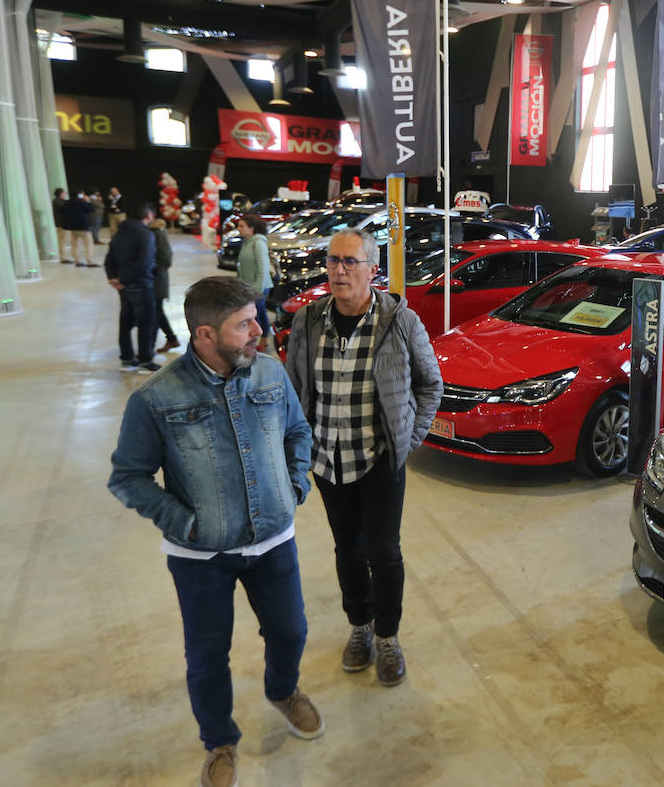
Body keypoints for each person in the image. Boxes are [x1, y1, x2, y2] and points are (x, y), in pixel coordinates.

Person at [107, 276, 322, 787]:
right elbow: (128, 477)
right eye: (244, 324)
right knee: (207, 655)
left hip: (273, 541)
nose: (258, 331)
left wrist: (294, 487)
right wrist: (184, 523)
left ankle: (282, 691)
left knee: (291, 631)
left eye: (256, 318)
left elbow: (298, 432)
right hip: (201, 557)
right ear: (205, 334)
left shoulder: (269, 373)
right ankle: (219, 740)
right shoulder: (157, 397)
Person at [285, 227, 443, 687]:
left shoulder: (400, 322)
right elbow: (295, 388)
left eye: (350, 261)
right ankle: (360, 627)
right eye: (333, 260)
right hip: (327, 462)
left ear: (373, 270)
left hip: (379, 461)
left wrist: (407, 440)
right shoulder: (308, 321)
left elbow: (430, 384)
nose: (338, 269)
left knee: (384, 553)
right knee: (347, 549)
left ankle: (388, 634)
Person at [105, 202, 159, 371]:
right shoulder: (146, 235)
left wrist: (114, 279)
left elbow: (109, 260)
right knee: (146, 323)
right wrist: (124, 280)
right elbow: (144, 263)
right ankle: (144, 360)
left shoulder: (119, 234)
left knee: (125, 321)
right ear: (149, 216)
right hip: (140, 285)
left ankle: (127, 359)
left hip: (123, 287)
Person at [235, 213, 273, 347]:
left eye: (241, 226)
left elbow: (263, 267)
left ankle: (259, 339)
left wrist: (258, 290)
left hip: (259, 286)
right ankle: (259, 338)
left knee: (256, 313)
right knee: (257, 312)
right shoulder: (247, 242)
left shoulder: (258, 243)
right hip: (248, 286)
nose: (238, 228)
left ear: (251, 228)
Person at [151, 218, 181, 352]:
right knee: (157, 312)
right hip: (155, 279)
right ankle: (171, 339)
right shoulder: (153, 232)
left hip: (157, 280)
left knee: (155, 312)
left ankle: (149, 347)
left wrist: (154, 271)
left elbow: (166, 258)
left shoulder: (157, 233)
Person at [65, 191, 95, 267]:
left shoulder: (68, 202)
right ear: (79, 195)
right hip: (83, 227)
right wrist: (88, 201)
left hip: (73, 227)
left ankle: (77, 260)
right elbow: (91, 209)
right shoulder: (81, 201)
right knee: (88, 244)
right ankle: (90, 261)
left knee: (74, 245)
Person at [52, 188, 72, 263]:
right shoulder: (59, 202)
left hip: (60, 224)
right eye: (64, 193)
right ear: (61, 193)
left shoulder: (57, 201)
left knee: (62, 241)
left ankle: (63, 257)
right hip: (62, 224)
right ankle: (63, 257)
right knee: (62, 241)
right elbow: (64, 210)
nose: (65, 194)